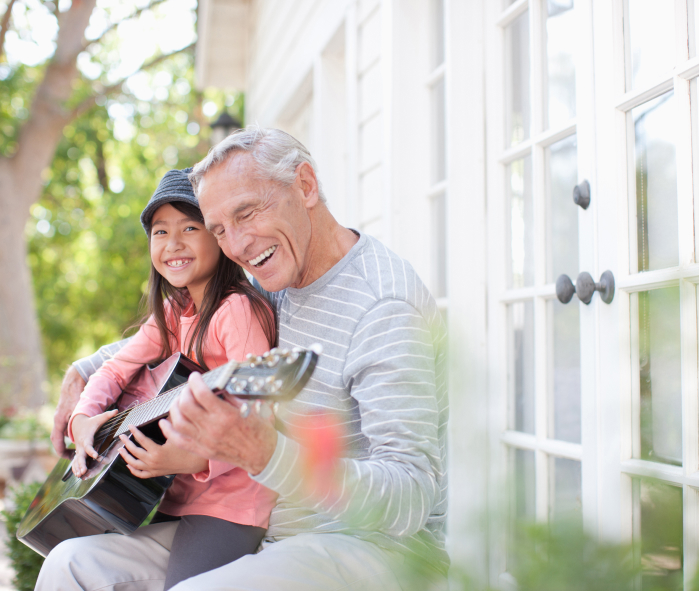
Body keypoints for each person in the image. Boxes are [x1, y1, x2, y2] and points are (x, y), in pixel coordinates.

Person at [44, 127, 449, 591]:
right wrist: (84, 373)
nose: (236, 246)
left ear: (306, 185)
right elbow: (178, 329)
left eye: (247, 212)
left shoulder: (382, 305)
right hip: (260, 528)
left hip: (363, 547)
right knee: (70, 566)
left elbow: (412, 495)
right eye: (218, 229)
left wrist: (268, 454)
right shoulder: (273, 281)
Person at [37, 168, 278, 591]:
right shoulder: (174, 313)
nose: (174, 244)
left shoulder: (236, 311)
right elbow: (113, 369)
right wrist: (84, 420)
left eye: (190, 227)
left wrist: (192, 461)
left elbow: (258, 411)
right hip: (179, 498)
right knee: (68, 561)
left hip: (231, 507)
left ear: (219, 237)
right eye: (160, 231)